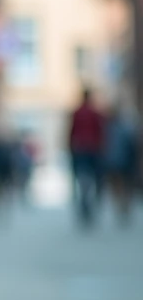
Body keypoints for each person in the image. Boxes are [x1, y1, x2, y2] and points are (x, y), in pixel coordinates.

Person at [68, 88, 105, 228]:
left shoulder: (77, 113)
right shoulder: (95, 113)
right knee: (94, 178)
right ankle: (89, 203)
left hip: (80, 149)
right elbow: (101, 132)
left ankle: (84, 203)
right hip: (93, 149)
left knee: (82, 178)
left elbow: (71, 131)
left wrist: (71, 147)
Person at [103, 103, 139, 225]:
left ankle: (122, 205)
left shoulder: (108, 128)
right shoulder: (125, 127)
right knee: (123, 184)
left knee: (119, 184)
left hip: (116, 160)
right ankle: (123, 205)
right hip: (120, 160)